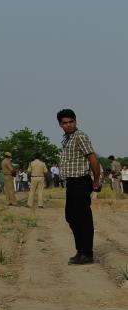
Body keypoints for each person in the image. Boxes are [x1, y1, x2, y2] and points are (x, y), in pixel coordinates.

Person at [57, 109, 101, 265]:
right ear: (60, 125)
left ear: (76, 121)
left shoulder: (80, 136)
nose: (68, 125)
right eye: (65, 123)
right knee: (71, 217)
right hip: (72, 183)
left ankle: (86, 254)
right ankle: (81, 250)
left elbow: (93, 159)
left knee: (83, 218)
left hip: (81, 182)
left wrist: (96, 181)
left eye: (71, 122)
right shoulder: (67, 139)